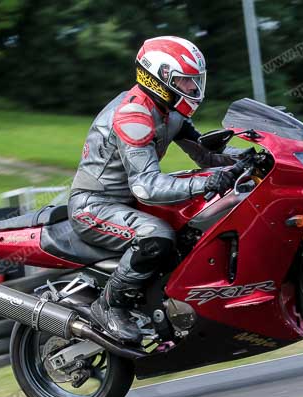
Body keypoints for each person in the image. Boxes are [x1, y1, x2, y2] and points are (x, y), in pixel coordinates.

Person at [68, 36, 248, 343]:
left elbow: (205, 153)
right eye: (186, 81)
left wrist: (250, 157)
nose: (194, 89)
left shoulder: (170, 110)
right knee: (157, 236)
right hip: (95, 205)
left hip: (125, 203)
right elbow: (146, 186)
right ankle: (109, 306)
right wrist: (206, 183)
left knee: (191, 227)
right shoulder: (133, 115)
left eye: (195, 82)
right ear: (160, 76)